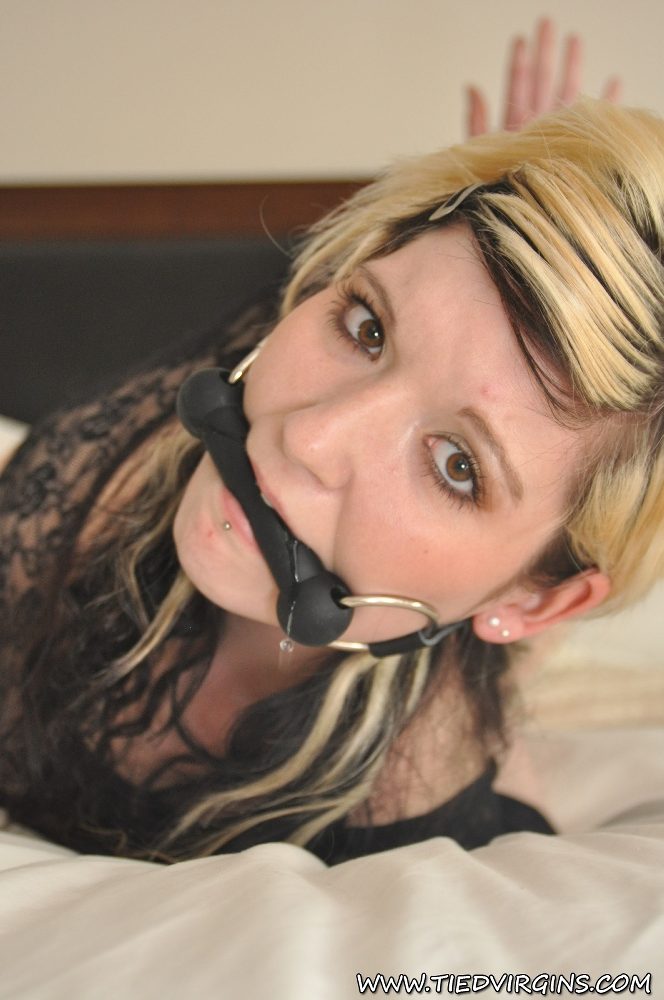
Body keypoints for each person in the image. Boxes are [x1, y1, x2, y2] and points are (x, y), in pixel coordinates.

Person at [0, 25, 662, 864]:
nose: (308, 436)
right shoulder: (103, 468)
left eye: (457, 466)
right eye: (369, 327)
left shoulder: (410, 825)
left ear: (534, 602)